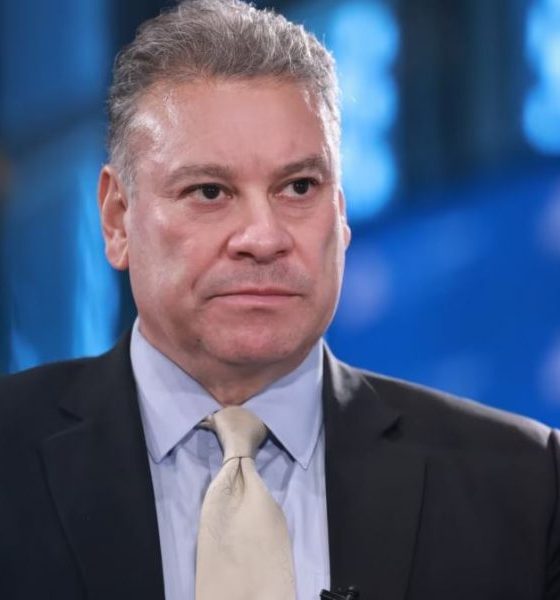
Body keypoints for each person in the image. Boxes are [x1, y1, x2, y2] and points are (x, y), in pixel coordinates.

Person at [1, 1, 559, 599]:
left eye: (298, 187)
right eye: (209, 192)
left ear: (340, 214)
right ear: (117, 218)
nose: (263, 238)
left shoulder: (525, 484)